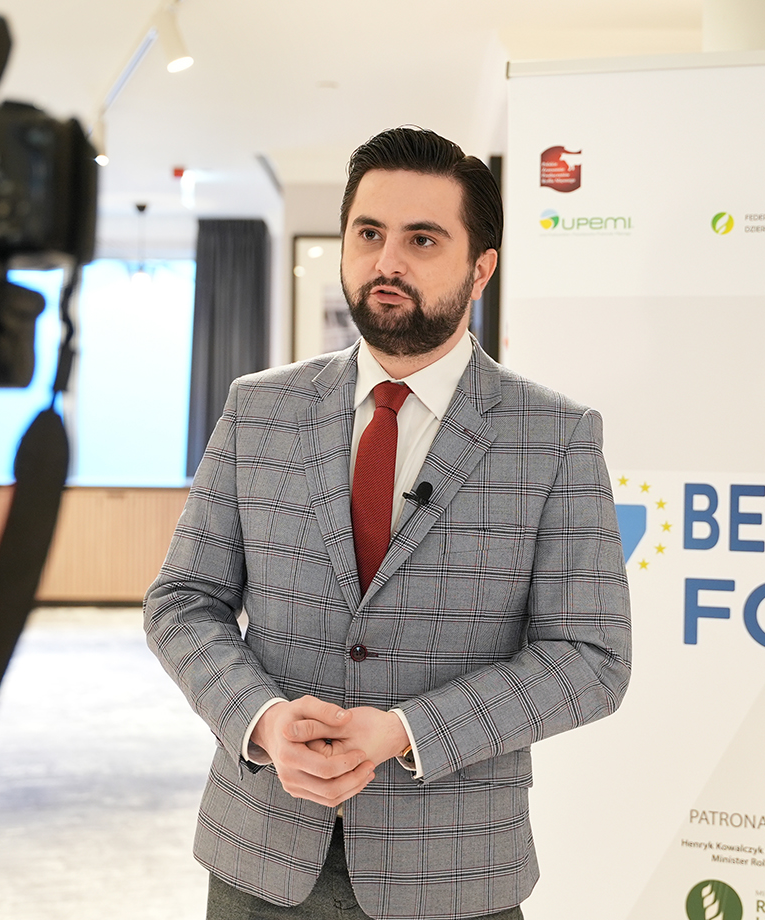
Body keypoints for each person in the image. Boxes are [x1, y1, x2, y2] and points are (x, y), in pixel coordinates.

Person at [144, 126, 631, 920]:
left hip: (456, 870)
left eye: (422, 239)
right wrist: (261, 720)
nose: (387, 261)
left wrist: (406, 731)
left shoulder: (554, 436)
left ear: (481, 269)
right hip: (259, 856)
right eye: (368, 234)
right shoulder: (258, 408)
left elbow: (591, 659)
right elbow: (183, 601)